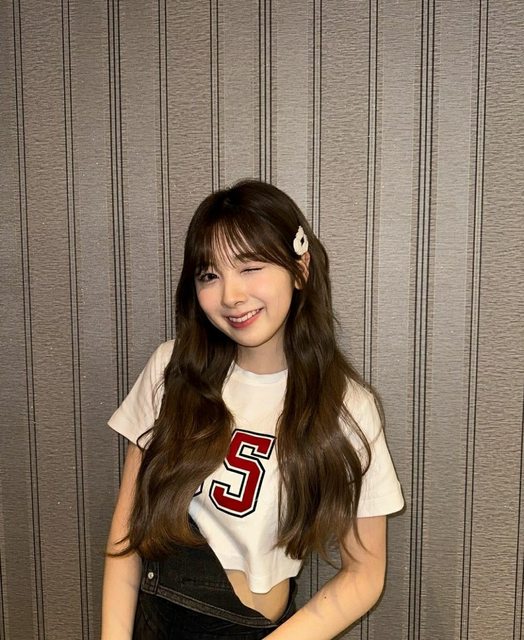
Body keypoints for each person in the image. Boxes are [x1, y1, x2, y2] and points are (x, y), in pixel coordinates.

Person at [101, 179, 404, 639]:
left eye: (250, 267)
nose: (231, 296)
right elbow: (126, 540)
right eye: (209, 275)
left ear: (299, 269)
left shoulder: (346, 407)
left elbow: (365, 573)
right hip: (154, 619)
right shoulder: (172, 368)